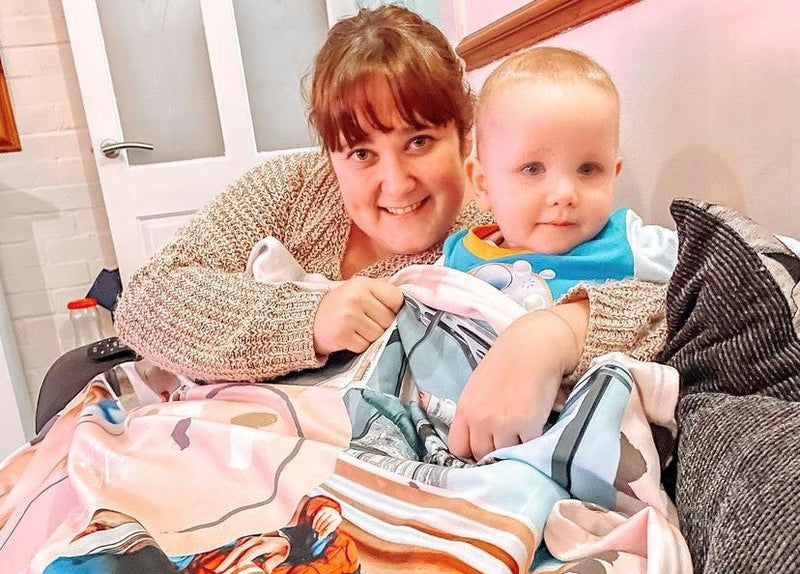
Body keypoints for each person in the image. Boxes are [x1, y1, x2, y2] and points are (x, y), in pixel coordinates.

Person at [114, 4, 670, 463]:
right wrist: (309, 318)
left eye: (419, 141)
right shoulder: (291, 188)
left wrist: (559, 330)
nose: (397, 182)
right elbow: (143, 303)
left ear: (466, 139)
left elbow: (665, 298)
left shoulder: (505, 223)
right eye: (361, 153)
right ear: (331, 155)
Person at [442, 46, 677, 310]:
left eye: (587, 169)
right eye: (532, 169)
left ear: (613, 174)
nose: (564, 194)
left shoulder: (629, 244)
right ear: (483, 185)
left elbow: (712, 259)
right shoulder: (458, 255)